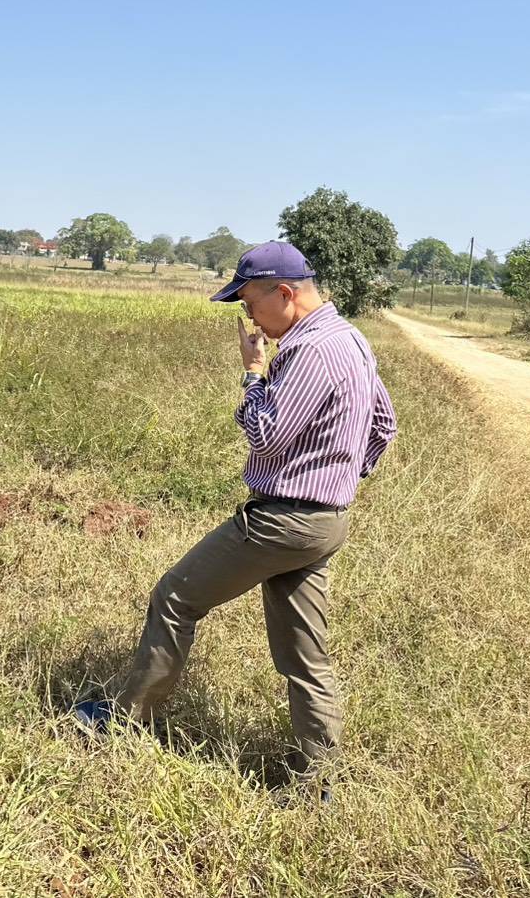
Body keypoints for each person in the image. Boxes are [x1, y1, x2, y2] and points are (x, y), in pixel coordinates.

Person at [73, 240, 397, 791]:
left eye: (250, 303)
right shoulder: (351, 339)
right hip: (324, 521)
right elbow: (384, 426)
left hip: (282, 520)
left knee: (174, 598)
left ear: (285, 293)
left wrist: (252, 374)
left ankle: (126, 723)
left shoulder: (310, 350)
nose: (250, 318)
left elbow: (264, 435)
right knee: (305, 655)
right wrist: (335, 480)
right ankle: (317, 780)